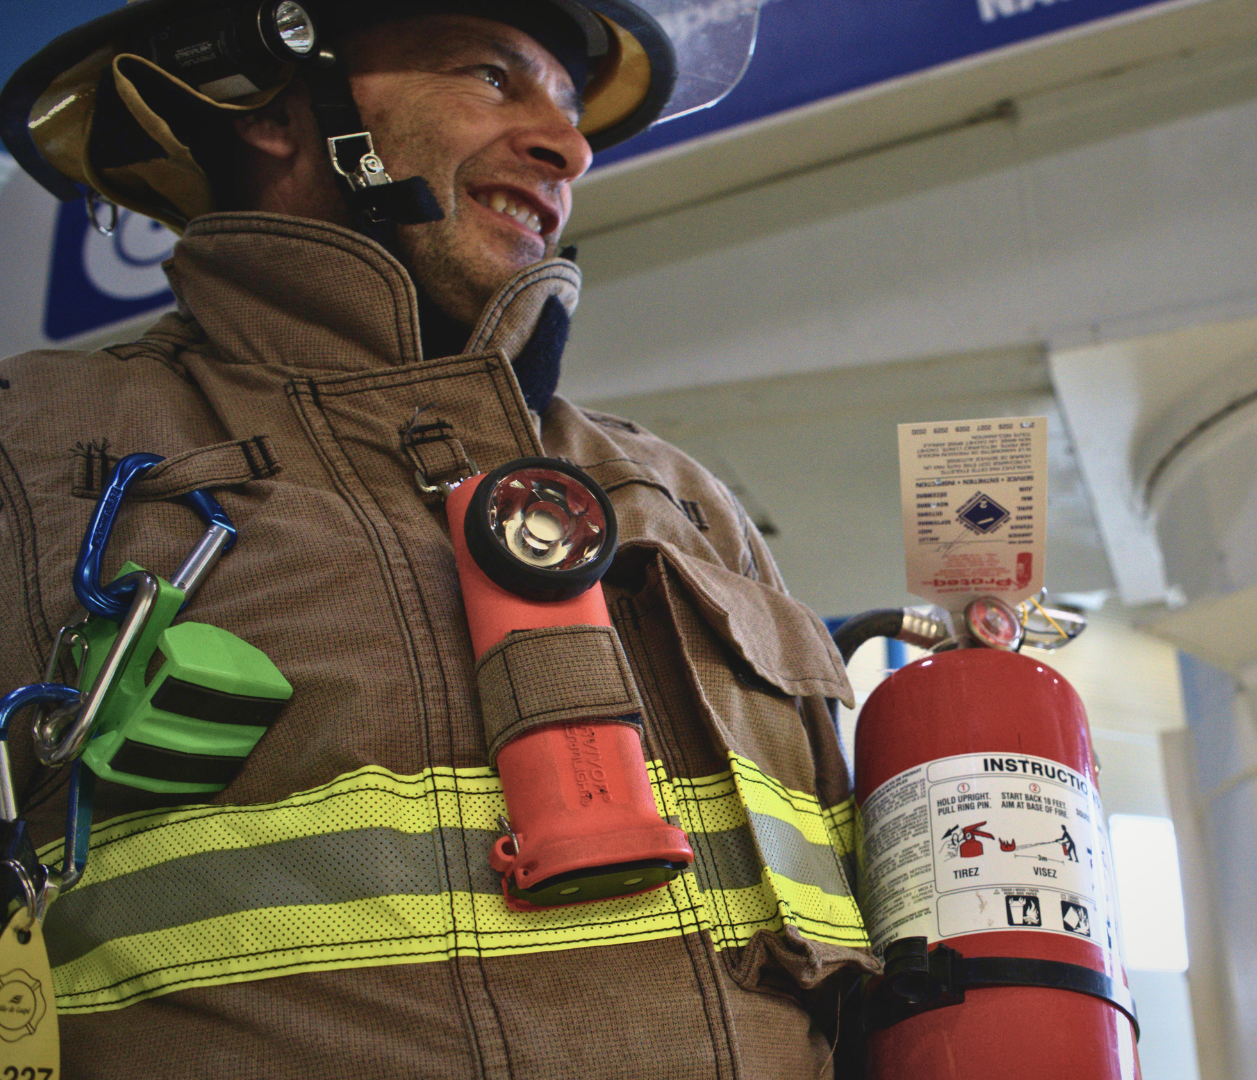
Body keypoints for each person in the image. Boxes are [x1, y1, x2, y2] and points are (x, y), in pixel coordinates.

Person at [0, 2, 873, 1076]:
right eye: (492, 78)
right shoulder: (33, 453)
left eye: (566, 103)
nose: (569, 143)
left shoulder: (674, 497)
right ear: (279, 108)